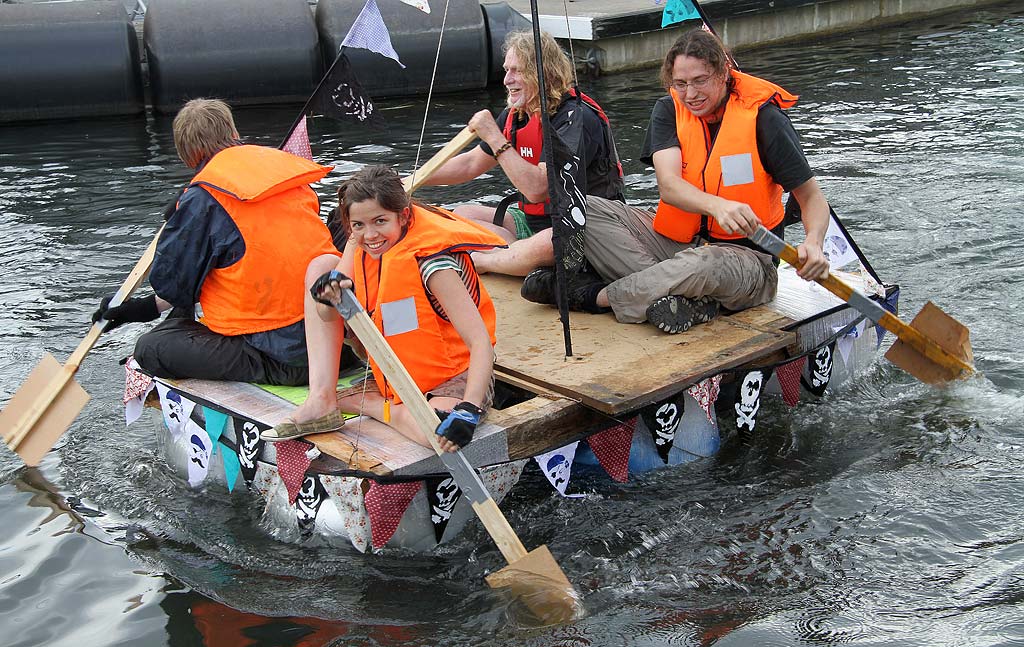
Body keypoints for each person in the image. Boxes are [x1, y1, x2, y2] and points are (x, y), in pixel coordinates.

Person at [569, 29, 831, 333]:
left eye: (700, 81)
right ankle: (679, 295)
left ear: (723, 73)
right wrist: (717, 206)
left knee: (705, 263)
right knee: (581, 209)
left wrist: (814, 243)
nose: (690, 94)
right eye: (680, 84)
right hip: (678, 246)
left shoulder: (765, 119)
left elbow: (811, 196)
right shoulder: (668, 110)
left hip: (747, 260)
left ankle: (595, 296)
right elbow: (669, 186)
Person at [92, 98, 341, 384]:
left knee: (150, 349)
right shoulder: (286, 173)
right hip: (334, 333)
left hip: (287, 356)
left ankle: (266, 372)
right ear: (234, 134)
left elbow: (171, 284)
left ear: (188, 157)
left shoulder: (203, 200)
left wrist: (136, 309)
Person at [260, 165, 505, 453]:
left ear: (402, 216)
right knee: (321, 267)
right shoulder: (359, 243)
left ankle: (372, 403)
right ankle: (322, 400)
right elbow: (327, 316)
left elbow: (481, 343)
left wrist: (469, 409)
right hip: (397, 366)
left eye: (380, 221)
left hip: (453, 374)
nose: (370, 234)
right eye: (359, 225)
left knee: (435, 435)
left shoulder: (433, 265)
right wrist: (325, 296)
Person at [420, 30, 624, 282]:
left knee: (549, 244)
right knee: (462, 213)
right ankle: (515, 257)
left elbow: (538, 189)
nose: (507, 79)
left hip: (583, 228)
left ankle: (487, 260)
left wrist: (495, 137)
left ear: (543, 73)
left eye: (516, 70)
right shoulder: (516, 114)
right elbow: (470, 164)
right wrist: (412, 180)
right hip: (535, 222)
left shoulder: (575, 118)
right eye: (506, 70)